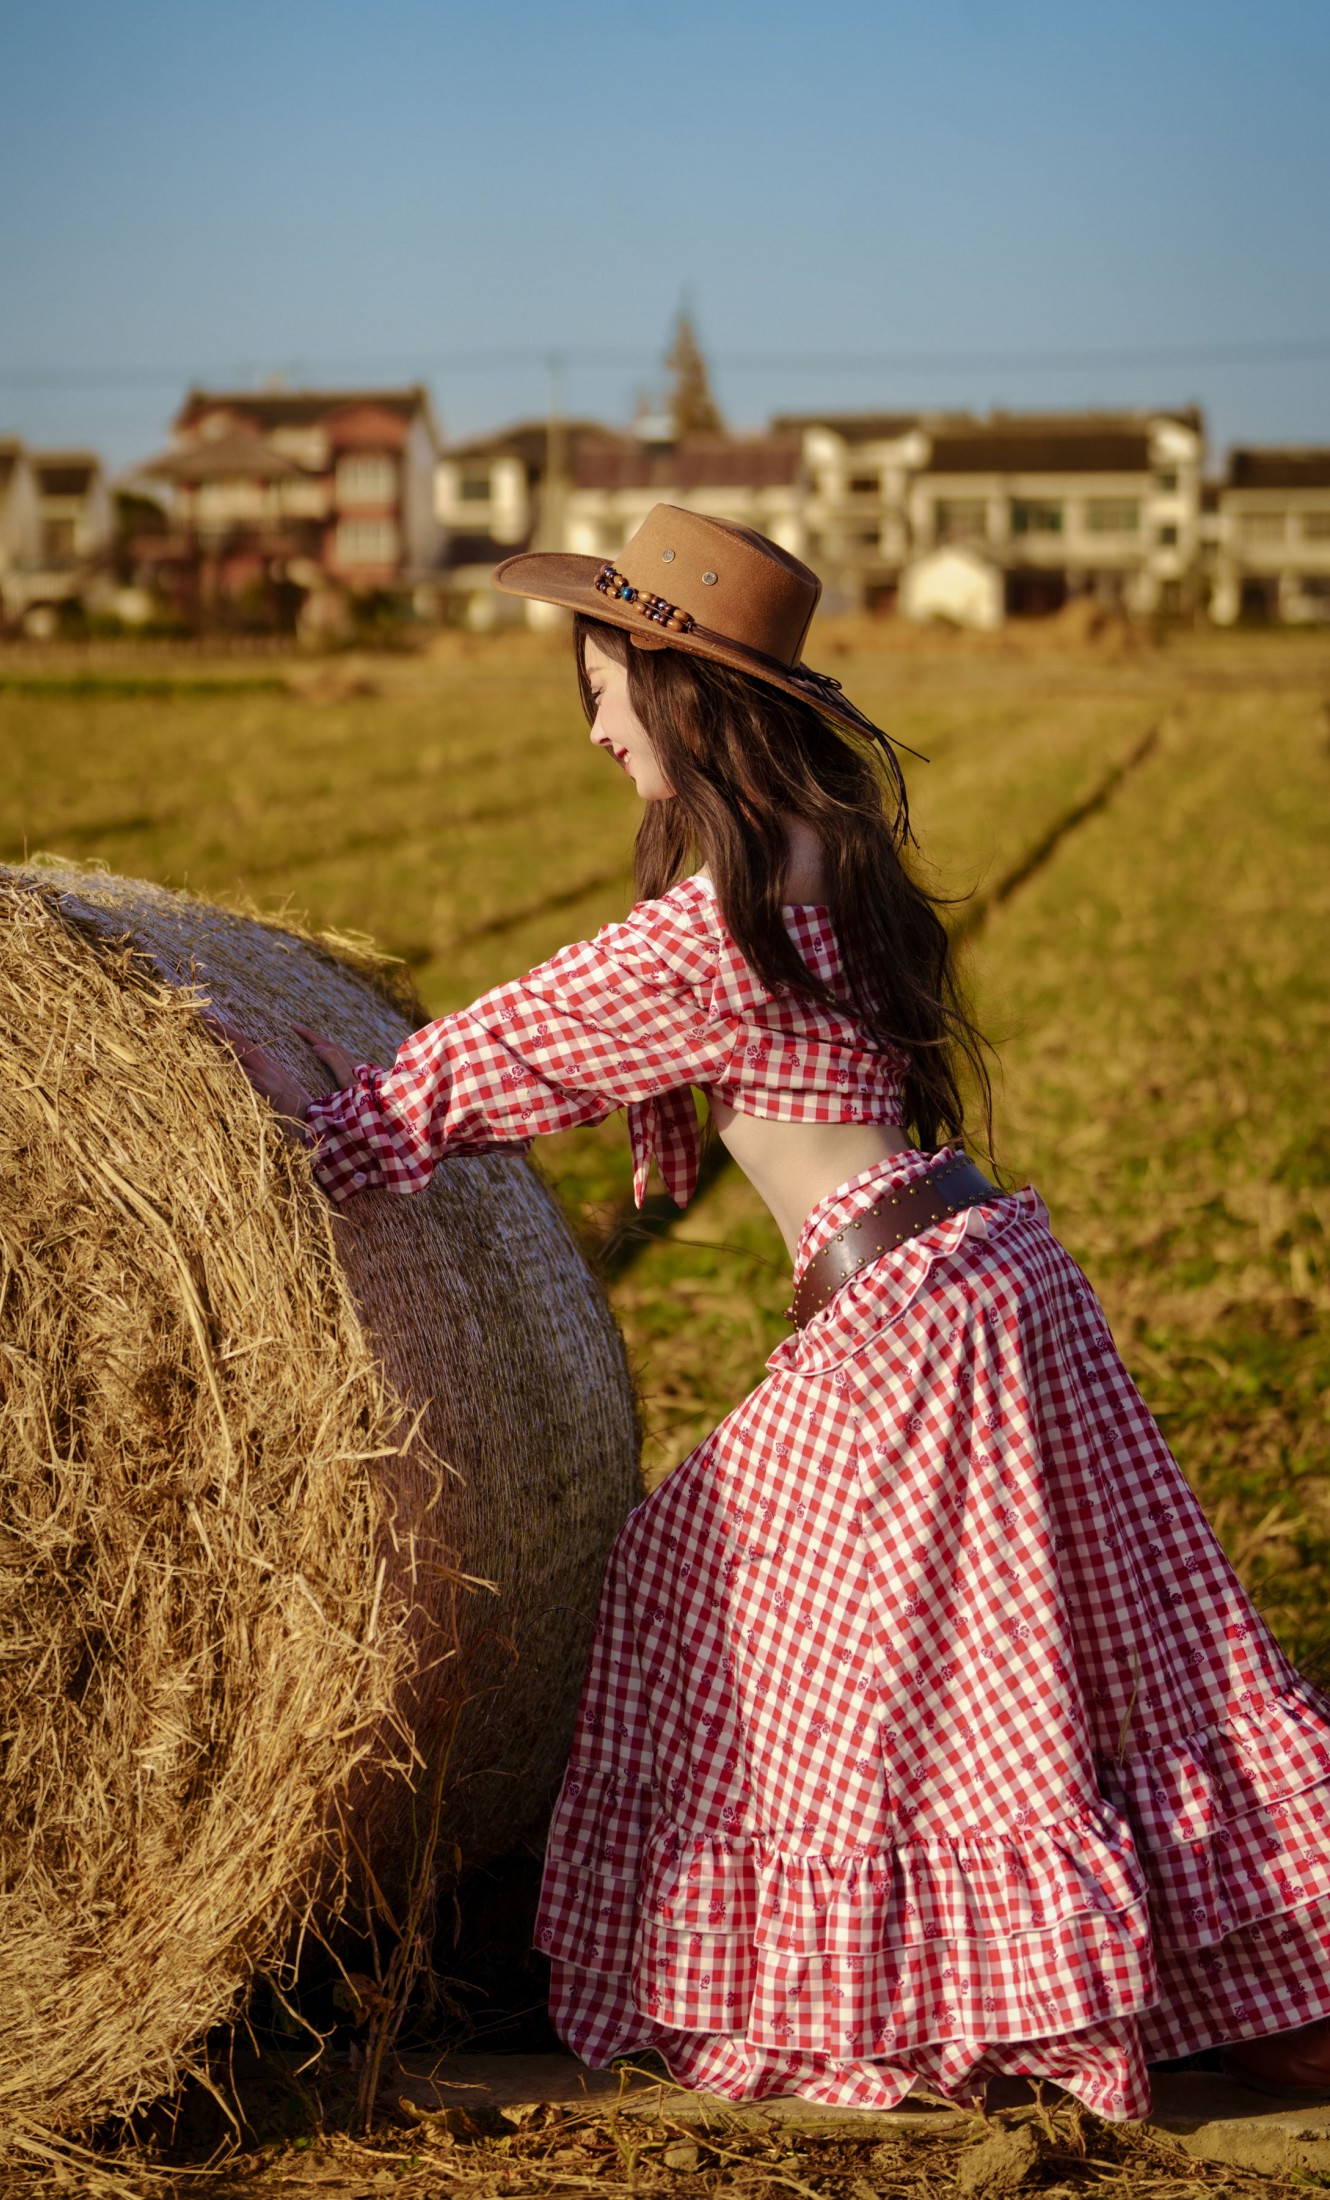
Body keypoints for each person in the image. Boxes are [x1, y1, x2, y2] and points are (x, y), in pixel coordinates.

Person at [215, 506, 1330, 2118]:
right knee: (1100, 1658)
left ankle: (881, 1985)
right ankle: (1267, 1977)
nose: (597, 728)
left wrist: (292, 1154)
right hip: (986, 1279)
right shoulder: (828, 867)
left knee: (707, 1581)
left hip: (911, 1323)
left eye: (606, 689)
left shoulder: (720, 922)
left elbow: (505, 1050)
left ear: (680, 693)